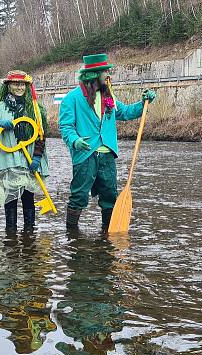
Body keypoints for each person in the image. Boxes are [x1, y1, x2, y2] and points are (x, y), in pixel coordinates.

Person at [58, 54, 156, 232]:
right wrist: (75, 141)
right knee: (79, 196)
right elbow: (65, 127)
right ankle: (71, 235)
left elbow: (125, 112)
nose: (108, 74)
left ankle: (107, 233)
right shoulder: (71, 99)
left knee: (110, 196)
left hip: (107, 155)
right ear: (94, 74)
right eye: (105, 71)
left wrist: (143, 103)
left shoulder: (108, 96)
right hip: (85, 154)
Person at [0, 70, 50, 232]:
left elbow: (41, 135)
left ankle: (29, 232)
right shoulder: (0, 108)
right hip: (8, 160)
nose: (19, 87)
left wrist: (37, 157)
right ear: (8, 87)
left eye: (22, 84)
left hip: (28, 159)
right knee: (10, 198)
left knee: (28, 198)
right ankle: (11, 233)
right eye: (15, 84)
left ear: (27, 86)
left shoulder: (35, 108)